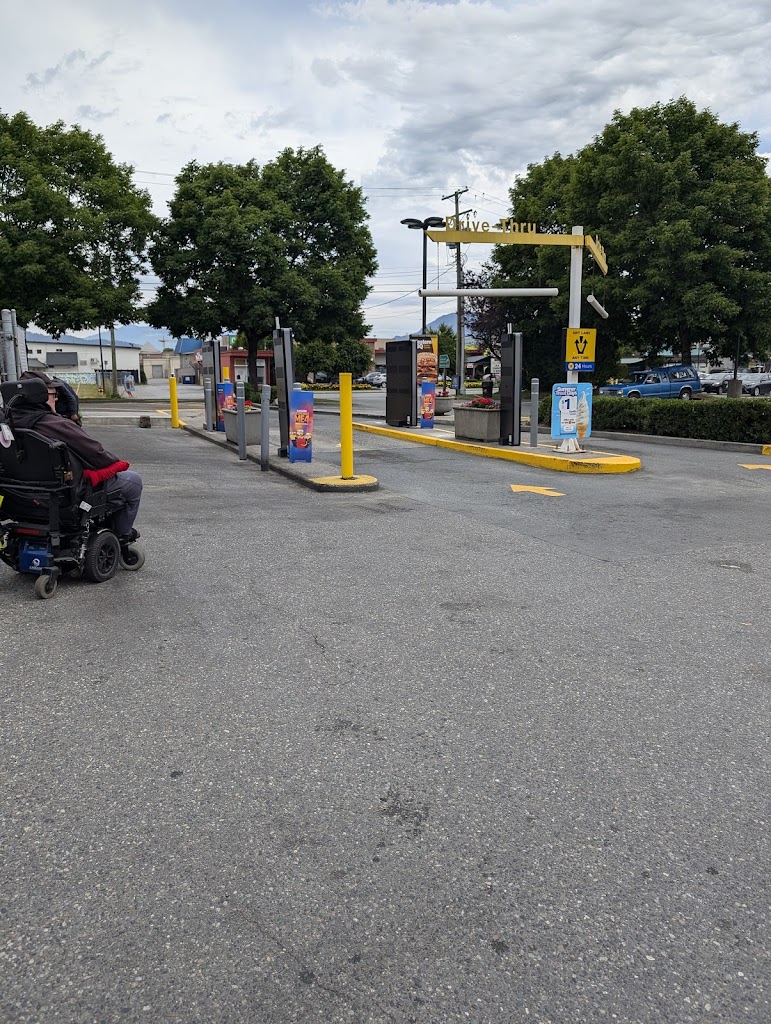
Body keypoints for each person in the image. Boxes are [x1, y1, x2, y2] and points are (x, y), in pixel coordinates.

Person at [7, 373, 142, 545]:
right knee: (133, 481)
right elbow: (97, 455)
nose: (56, 399)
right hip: (63, 497)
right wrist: (114, 462)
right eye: (53, 394)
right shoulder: (56, 424)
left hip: (17, 498)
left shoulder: (6, 424)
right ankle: (122, 536)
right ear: (39, 396)